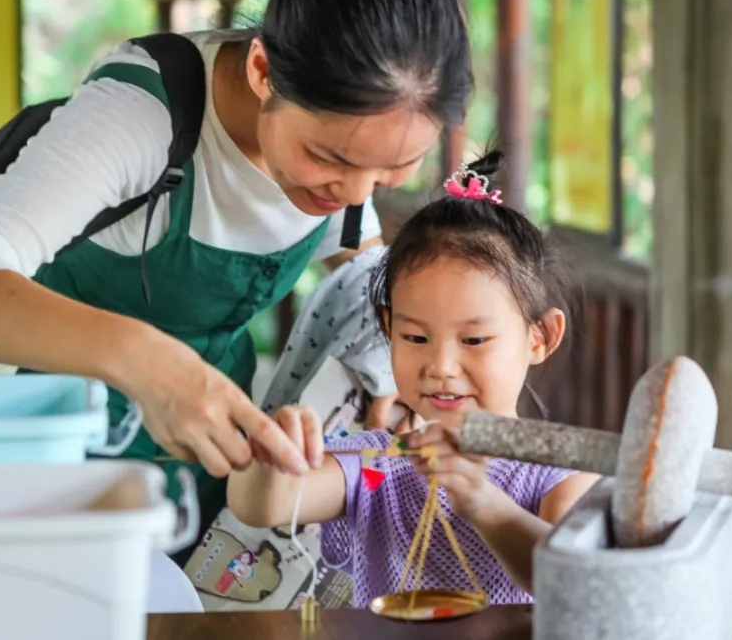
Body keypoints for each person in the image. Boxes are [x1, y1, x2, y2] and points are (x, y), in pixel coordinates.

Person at [0, 0, 471, 566]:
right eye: (327, 156)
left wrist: (393, 365)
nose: (357, 193)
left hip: (205, 462)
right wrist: (145, 360)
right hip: (44, 466)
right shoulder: (144, 114)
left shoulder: (347, 149)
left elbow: (361, 269)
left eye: (392, 169)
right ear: (264, 70)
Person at [228, 152, 601, 608]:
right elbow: (263, 506)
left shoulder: (556, 478)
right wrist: (270, 457)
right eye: (416, 336)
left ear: (541, 336)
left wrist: (482, 502)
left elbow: (577, 583)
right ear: (389, 328)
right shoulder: (377, 465)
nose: (441, 365)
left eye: (475, 339)